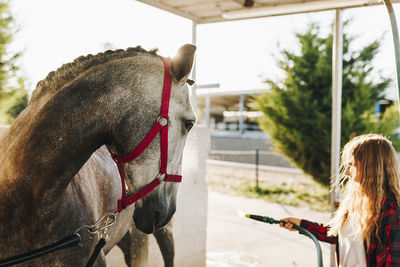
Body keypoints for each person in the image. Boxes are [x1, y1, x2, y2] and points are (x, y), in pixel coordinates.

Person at [280, 134, 400, 266]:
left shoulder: (393, 215)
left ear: (370, 168)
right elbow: (339, 236)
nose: (347, 172)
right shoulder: (356, 203)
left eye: (352, 165)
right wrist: (301, 225)